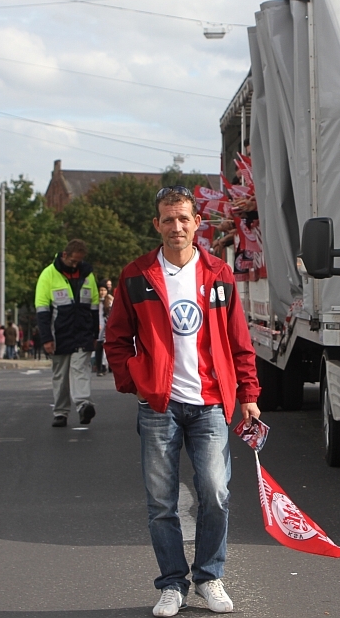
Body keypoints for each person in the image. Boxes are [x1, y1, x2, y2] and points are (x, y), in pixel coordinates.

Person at [105, 185, 261, 617]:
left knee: (215, 491)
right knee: (161, 501)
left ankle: (209, 577)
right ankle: (173, 583)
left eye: (183, 219)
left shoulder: (218, 274)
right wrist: (134, 382)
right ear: (157, 224)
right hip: (159, 405)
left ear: (197, 223)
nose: (176, 226)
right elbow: (116, 339)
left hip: (211, 402)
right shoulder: (137, 275)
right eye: (167, 219)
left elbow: (238, 340)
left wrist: (248, 393)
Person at [35, 239, 100, 428]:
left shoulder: (88, 275)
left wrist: (95, 334)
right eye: (72, 261)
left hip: (83, 333)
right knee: (61, 375)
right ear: (64, 255)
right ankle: (61, 412)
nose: (75, 265)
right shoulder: (48, 275)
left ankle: (83, 405)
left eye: (78, 261)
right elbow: (42, 310)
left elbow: (94, 307)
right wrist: (46, 338)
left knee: (80, 370)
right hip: (59, 334)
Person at [94, 285, 111, 376]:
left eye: (104, 290)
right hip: (99, 327)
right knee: (98, 348)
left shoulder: (110, 301)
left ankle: (105, 366)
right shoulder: (96, 302)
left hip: (107, 327)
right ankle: (98, 367)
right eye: (101, 290)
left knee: (105, 347)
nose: (102, 292)